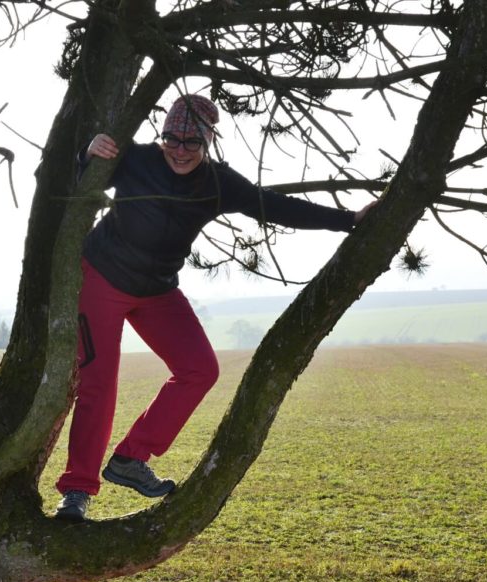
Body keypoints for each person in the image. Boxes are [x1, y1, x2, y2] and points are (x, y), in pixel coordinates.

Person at [54, 94, 375, 521]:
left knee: (201, 369)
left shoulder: (217, 183)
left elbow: (273, 206)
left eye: (191, 143)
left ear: (208, 143)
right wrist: (86, 152)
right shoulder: (136, 158)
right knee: (99, 384)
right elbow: (81, 183)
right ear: (162, 135)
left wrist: (349, 219)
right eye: (172, 138)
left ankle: (130, 459)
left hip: (158, 290)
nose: (179, 150)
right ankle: (77, 491)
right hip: (102, 279)